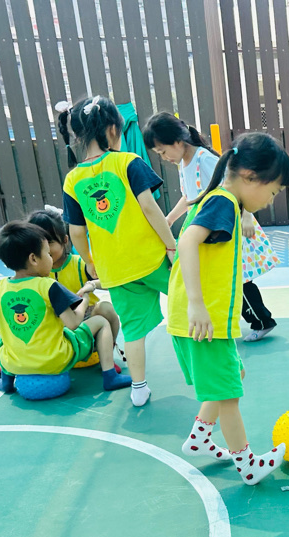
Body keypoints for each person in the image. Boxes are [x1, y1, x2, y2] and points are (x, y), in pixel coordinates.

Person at [166, 133, 289, 485]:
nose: (270, 200)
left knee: (232, 377)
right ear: (250, 177)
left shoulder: (226, 202)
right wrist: (197, 304)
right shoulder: (222, 202)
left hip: (204, 319)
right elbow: (187, 241)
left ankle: (200, 437)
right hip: (201, 320)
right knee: (229, 394)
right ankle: (248, 465)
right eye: (273, 192)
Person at [58, 96, 177, 407]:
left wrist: (90, 262)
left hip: (116, 271)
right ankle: (212, 359)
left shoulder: (73, 180)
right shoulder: (128, 162)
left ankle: (139, 387)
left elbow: (76, 232)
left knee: (134, 330)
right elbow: (149, 208)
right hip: (152, 258)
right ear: (113, 129)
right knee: (189, 302)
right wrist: (171, 245)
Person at [144, 112, 279, 342]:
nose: (164, 158)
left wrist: (247, 215)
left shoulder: (203, 159)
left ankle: (262, 321)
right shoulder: (183, 164)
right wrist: (170, 219)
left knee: (239, 278)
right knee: (226, 278)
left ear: (177, 142)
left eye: (163, 151)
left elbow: (236, 186)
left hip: (228, 227)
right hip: (209, 231)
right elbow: (189, 196)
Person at [0, 221, 131, 394]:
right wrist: (84, 300)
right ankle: (110, 376)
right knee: (100, 321)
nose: (50, 258)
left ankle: (7, 380)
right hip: (55, 359)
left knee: (3, 332)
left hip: (14, 363)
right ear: (33, 259)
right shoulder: (48, 285)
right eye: (47, 254)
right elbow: (73, 323)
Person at [26, 208, 122, 354]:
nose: (44, 249)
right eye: (36, 244)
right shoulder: (33, 272)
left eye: (49, 242)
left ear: (65, 240)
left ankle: (104, 353)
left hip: (86, 319)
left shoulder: (80, 264)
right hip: (53, 323)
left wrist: (92, 284)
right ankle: (14, 362)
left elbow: (110, 282)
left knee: (106, 308)